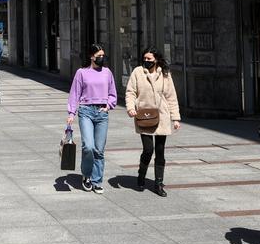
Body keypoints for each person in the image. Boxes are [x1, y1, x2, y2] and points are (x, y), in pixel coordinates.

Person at [125, 48, 181, 196]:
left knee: (160, 151)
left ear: (156, 59)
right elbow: (130, 92)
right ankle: (141, 176)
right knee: (148, 149)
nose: (147, 61)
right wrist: (131, 107)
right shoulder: (137, 72)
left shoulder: (165, 74)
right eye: (145, 58)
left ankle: (158, 183)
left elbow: (171, 96)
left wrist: (175, 118)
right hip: (143, 115)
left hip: (162, 116)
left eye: (149, 59)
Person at [67, 44, 117, 194]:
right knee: (88, 146)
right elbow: (74, 93)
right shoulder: (81, 73)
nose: (101, 58)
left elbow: (112, 93)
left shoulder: (107, 72)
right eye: (99, 56)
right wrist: (71, 113)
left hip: (102, 113)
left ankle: (97, 181)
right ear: (91, 57)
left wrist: (108, 106)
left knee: (99, 150)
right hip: (86, 111)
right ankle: (86, 175)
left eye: (103, 56)